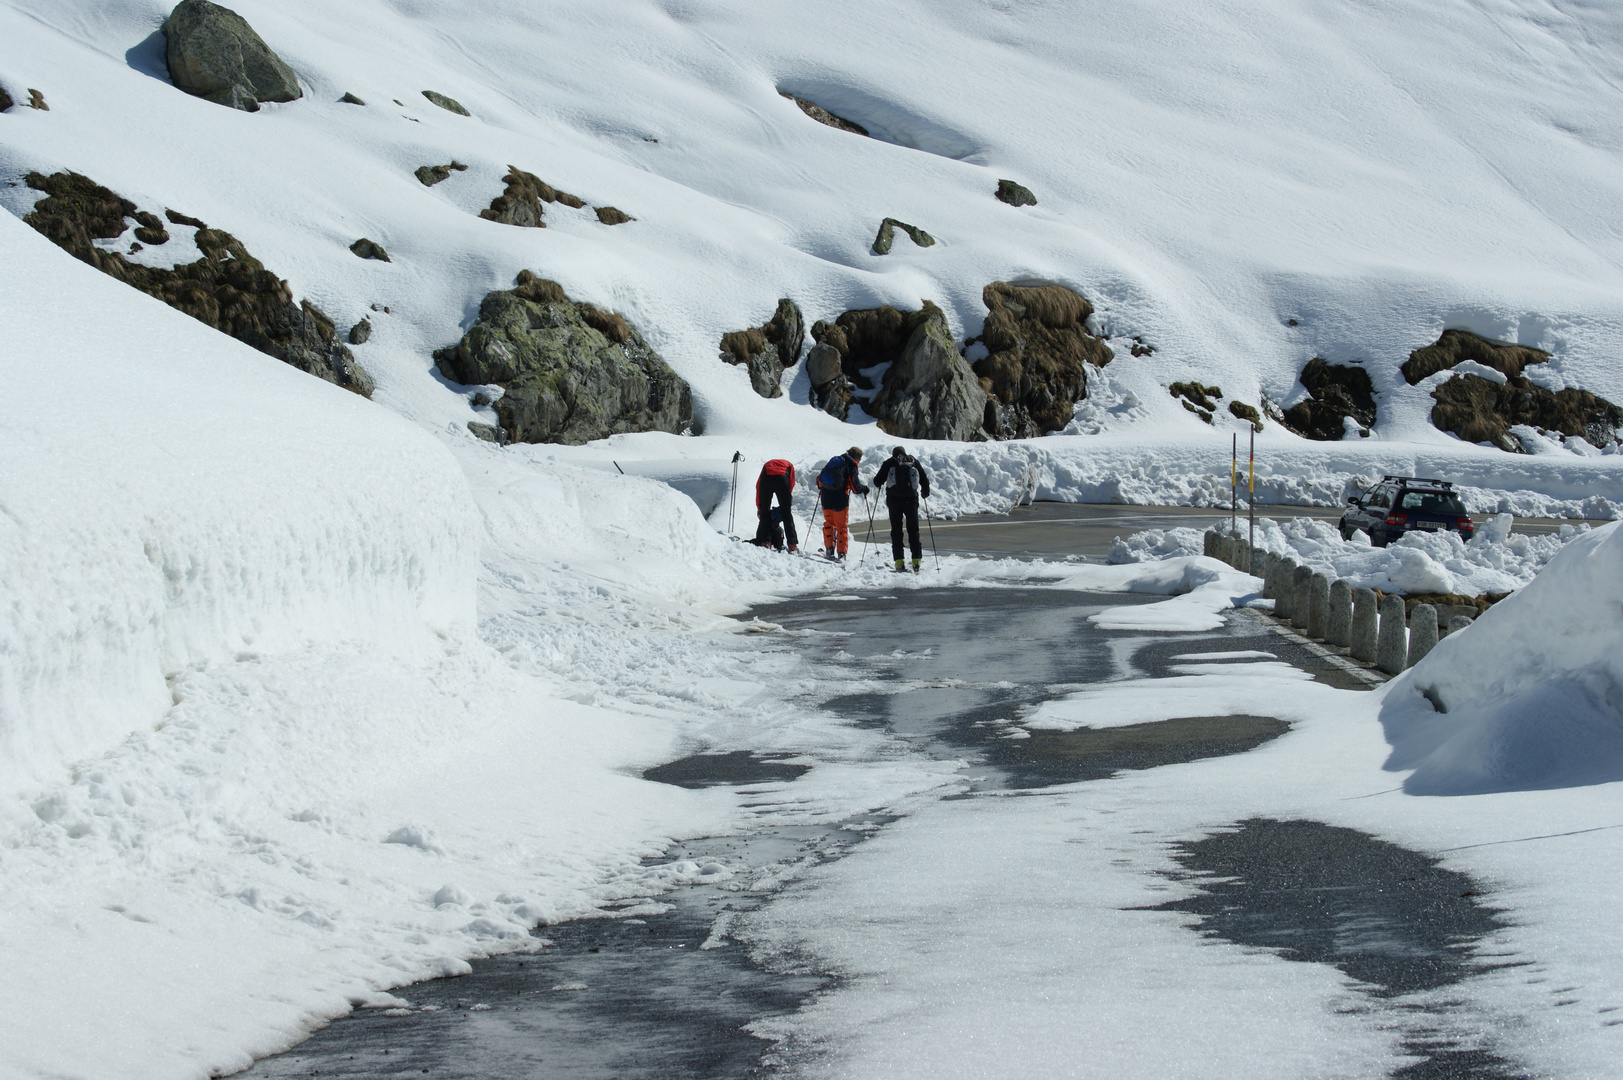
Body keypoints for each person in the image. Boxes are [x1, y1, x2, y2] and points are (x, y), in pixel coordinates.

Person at [872, 445, 929, 572]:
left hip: (894, 501)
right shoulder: (913, 461)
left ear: (893, 454)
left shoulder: (889, 463)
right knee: (913, 529)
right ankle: (916, 561)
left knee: (896, 530)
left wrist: (882, 481)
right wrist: (925, 492)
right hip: (911, 500)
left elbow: (877, 481)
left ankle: (899, 562)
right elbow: (924, 479)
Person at [816, 446, 870, 560]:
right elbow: (855, 488)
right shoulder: (851, 464)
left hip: (826, 497)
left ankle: (829, 550)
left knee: (829, 523)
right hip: (840, 499)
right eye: (859, 460)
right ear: (856, 458)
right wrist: (864, 489)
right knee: (841, 527)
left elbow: (819, 480)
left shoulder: (835, 461)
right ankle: (841, 554)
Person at [754, 458, 799, 552]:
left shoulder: (766, 465)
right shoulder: (789, 465)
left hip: (767, 479)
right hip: (782, 480)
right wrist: (786, 502)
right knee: (786, 514)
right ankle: (792, 544)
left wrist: (759, 507)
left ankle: (766, 542)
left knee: (765, 512)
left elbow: (758, 486)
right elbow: (791, 483)